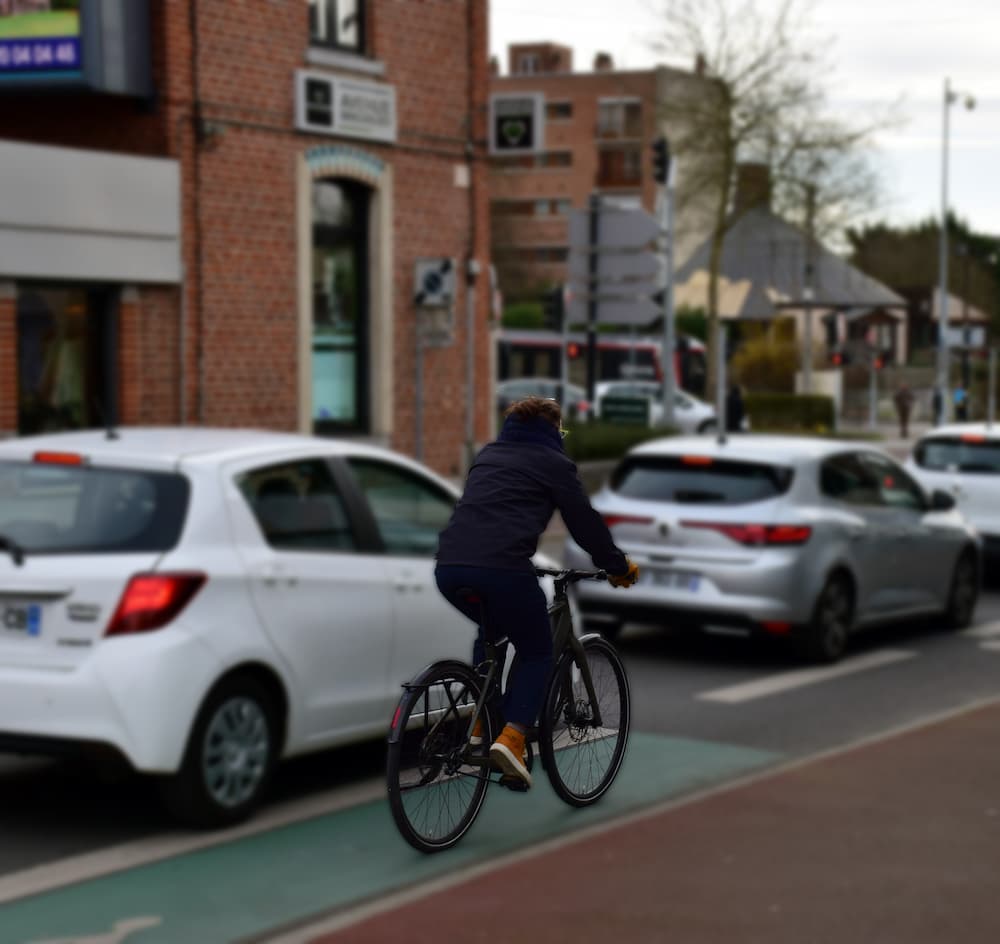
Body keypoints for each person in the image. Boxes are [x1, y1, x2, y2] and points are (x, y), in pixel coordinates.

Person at [435, 396, 639, 789]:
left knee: (490, 633)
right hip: (503, 568)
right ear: (553, 429)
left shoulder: (489, 453)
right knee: (537, 650)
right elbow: (583, 522)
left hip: (450, 567)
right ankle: (511, 737)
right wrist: (617, 566)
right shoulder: (553, 463)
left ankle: (482, 723)